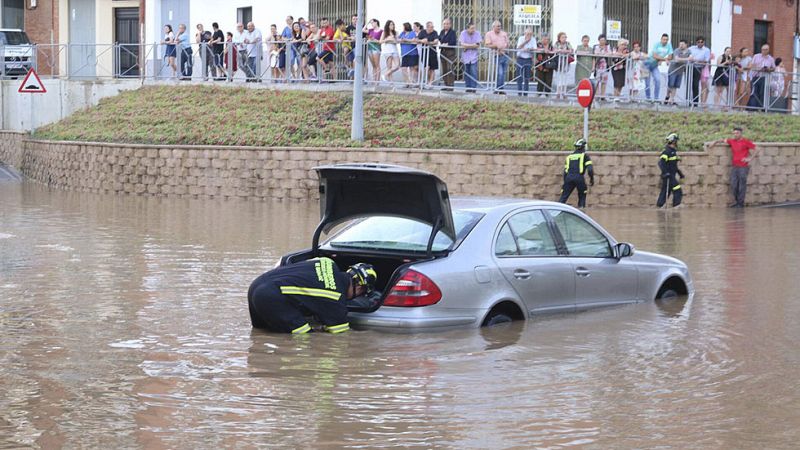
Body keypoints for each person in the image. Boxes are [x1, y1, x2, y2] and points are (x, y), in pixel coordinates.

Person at [248, 258, 377, 334]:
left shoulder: (327, 262)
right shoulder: (335, 297)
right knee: (305, 336)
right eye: (362, 293)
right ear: (359, 287)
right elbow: (341, 335)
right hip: (270, 297)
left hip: (256, 285)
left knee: (260, 333)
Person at [713, 127, 756, 208]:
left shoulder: (746, 141)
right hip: (735, 167)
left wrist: (749, 158)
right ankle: (737, 202)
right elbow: (722, 140)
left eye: (737, 133)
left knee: (741, 186)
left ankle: (740, 203)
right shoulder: (732, 141)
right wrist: (714, 142)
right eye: (734, 133)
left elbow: (757, 149)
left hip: (743, 167)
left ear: (741, 133)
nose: (735, 135)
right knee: (734, 185)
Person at [558, 138, 595, 208]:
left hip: (568, 178)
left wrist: (565, 183)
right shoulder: (584, 156)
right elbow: (590, 170)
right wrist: (591, 179)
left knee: (563, 197)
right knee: (582, 197)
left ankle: (556, 212)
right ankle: (581, 213)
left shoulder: (569, 157)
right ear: (583, 147)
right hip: (579, 178)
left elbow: (565, 172)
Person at [656, 133, 685, 208]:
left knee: (665, 191)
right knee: (677, 190)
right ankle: (676, 206)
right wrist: (665, 173)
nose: (676, 143)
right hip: (668, 176)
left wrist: (680, 174)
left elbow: (674, 166)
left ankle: (660, 206)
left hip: (671, 175)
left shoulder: (673, 152)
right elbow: (661, 163)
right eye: (676, 141)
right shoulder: (667, 152)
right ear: (673, 141)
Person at [746, 43, 775, 110]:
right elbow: (752, 65)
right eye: (762, 49)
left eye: (765, 50)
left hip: (764, 78)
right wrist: (758, 68)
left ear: (768, 50)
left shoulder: (771, 59)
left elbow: (773, 68)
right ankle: (752, 108)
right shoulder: (756, 56)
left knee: (762, 93)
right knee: (754, 92)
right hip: (755, 76)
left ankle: (761, 108)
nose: (764, 51)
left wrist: (768, 69)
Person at [644, 33, 672, 101]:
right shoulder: (657, 44)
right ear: (661, 39)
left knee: (658, 80)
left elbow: (670, 56)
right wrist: (664, 59)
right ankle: (648, 99)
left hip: (655, 66)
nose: (665, 41)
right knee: (647, 83)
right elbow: (654, 56)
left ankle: (656, 98)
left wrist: (664, 59)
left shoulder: (669, 45)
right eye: (664, 39)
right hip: (647, 64)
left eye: (666, 40)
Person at [484, 21, 509, 94]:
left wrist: (504, 48)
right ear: (493, 27)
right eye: (497, 26)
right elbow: (487, 45)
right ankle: (498, 89)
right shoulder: (489, 34)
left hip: (505, 55)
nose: (499, 27)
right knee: (500, 73)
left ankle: (500, 89)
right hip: (496, 56)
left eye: (500, 26)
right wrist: (496, 46)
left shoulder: (504, 34)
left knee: (503, 74)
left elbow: (507, 44)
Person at [665, 39, 690, 105]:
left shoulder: (689, 51)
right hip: (673, 69)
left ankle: (672, 99)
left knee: (675, 86)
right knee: (670, 85)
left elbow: (691, 58)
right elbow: (677, 59)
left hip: (680, 71)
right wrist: (686, 59)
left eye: (682, 44)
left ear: (686, 45)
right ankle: (667, 97)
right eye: (680, 44)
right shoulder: (677, 50)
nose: (681, 46)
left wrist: (684, 59)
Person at [687, 36, 711, 106]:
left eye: (702, 42)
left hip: (698, 68)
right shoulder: (691, 48)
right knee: (689, 84)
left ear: (704, 42)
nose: (700, 43)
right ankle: (688, 101)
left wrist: (696, 60)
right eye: (698, 42)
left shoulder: (706, 50)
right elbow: (687, 55)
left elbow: (706, 60)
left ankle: (695, 102)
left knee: (695, 85)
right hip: (690, 68)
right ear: (696, 42)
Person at [459, 22, 481, 92]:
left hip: (474, 57)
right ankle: (468, 88)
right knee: (466, 73)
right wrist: (472, 45)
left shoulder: (477, 33)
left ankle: (473, 88)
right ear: (467, 29)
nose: (473, 30)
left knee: (474, 72)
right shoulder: (463, 33)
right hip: (465, 57)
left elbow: (477, 45)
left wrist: (467, 46)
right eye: (471, 28)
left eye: (474, 28)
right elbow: (462, 44)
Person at [417, 22, 440, 87]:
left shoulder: (435, 32)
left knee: (432, 68)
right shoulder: (422, 32)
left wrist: (428, 42)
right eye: (431, 27)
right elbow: (416, 39)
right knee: (426, 68)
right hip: (424, 52)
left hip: (432, 52)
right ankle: (427, 81)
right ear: (427, 27)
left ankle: (430, 83)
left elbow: (436, 41)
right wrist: (422, 41)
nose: (432, 28)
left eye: (433, 27)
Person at [515, 28, 536, 96]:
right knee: (519, 76)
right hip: (520, 59)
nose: (529, 35)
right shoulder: (521, 38)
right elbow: (518, 47)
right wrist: (526, 41)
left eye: (530, 34)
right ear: (525, 33)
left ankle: (526, 93)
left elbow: (535, 48)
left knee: (527, 77)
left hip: (528, 59)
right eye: (527, 34)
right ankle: (519, 92)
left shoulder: (533, 39)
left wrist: (530, 49)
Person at [552, 32, 573, 99]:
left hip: (566, 62)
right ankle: (558, 93)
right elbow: (554, 50)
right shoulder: (556, 43)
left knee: (565, 77)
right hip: (558, 62)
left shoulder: (568, 43)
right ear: (559, 38)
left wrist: (564, 51)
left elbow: (571, 50)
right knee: (559, 77)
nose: (564, 39)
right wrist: (560, 50)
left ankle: (564, 93)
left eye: (565, 37)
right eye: (563, 37)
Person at [438, 18, 457, 89]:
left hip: (450, 52)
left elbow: (453, 42)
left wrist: (447, 44)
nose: (445, 25)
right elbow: (440, 38)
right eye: (444, 24)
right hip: (443, 52)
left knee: (450, 68)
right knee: (444, 69)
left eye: (447, 24)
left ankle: (450, 85)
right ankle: (446, 84)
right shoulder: (442, 31)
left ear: (450, 24)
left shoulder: (452, 32)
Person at [399, 22, 419, 87]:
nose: (403, 28)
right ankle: (407, 82)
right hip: (404, 53)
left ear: (406, 27)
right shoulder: (402, 33)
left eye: (403, 27)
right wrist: (401, 40)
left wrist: (405, 40)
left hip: (412, 53)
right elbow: (398, 39)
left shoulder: (412, 33)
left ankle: (413, 82)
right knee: (403, 68)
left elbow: (414, 41)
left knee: (412, 68)